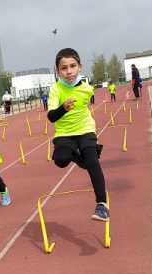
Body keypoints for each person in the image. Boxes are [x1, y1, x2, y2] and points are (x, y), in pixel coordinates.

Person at [47, 48, 109, 221]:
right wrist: (63, 108)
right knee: (60, 160)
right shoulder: (56, 90)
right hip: (64, 133)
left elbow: (85, 108)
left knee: (93, 161)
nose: (69, 71)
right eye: (64, 68)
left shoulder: (87, 89)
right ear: (58, 70)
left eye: (72, 66)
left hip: (85, 129)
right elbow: (51, 117)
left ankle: (102, 205)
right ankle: (79, 158)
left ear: (80, 67)